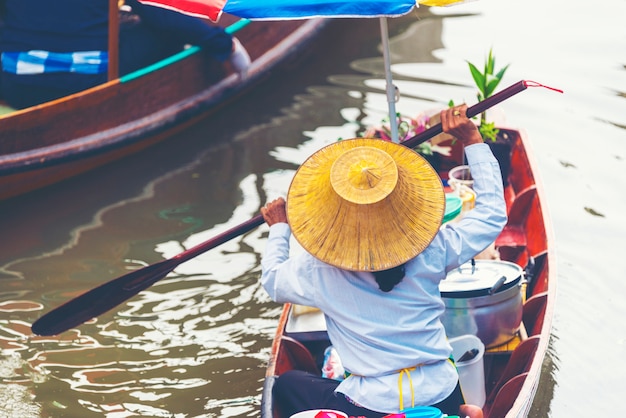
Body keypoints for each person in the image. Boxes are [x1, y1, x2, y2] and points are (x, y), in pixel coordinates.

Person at [259, 104, 506, 418]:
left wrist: (280, 227)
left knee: (288, 384)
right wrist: (472, 139)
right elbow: (492, 216)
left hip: (374, 406)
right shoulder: (432, 250)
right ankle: (462, 412)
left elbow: (273, 280)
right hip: (441, 390)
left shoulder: (317, 270)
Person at [0, 0, 250, 109]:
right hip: (87, 84)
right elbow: (161, 14)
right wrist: (225, 44)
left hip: (14, 84)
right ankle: (161, 93)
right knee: (160, 31)